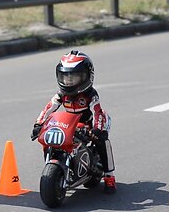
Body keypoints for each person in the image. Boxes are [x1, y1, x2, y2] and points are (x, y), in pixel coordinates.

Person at [31, 50, 117, 194]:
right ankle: (57, 165)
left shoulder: (91, 95)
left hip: (88, 127)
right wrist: (38, 124)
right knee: (49, 139)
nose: (69, 81)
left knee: (104, 142)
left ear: (87, 76)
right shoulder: (61, 94)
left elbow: (97, 112)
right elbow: (49, 108)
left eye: (74, 77)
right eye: (65, 77)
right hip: (69, 124)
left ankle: (109, 177)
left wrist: (97, 130)